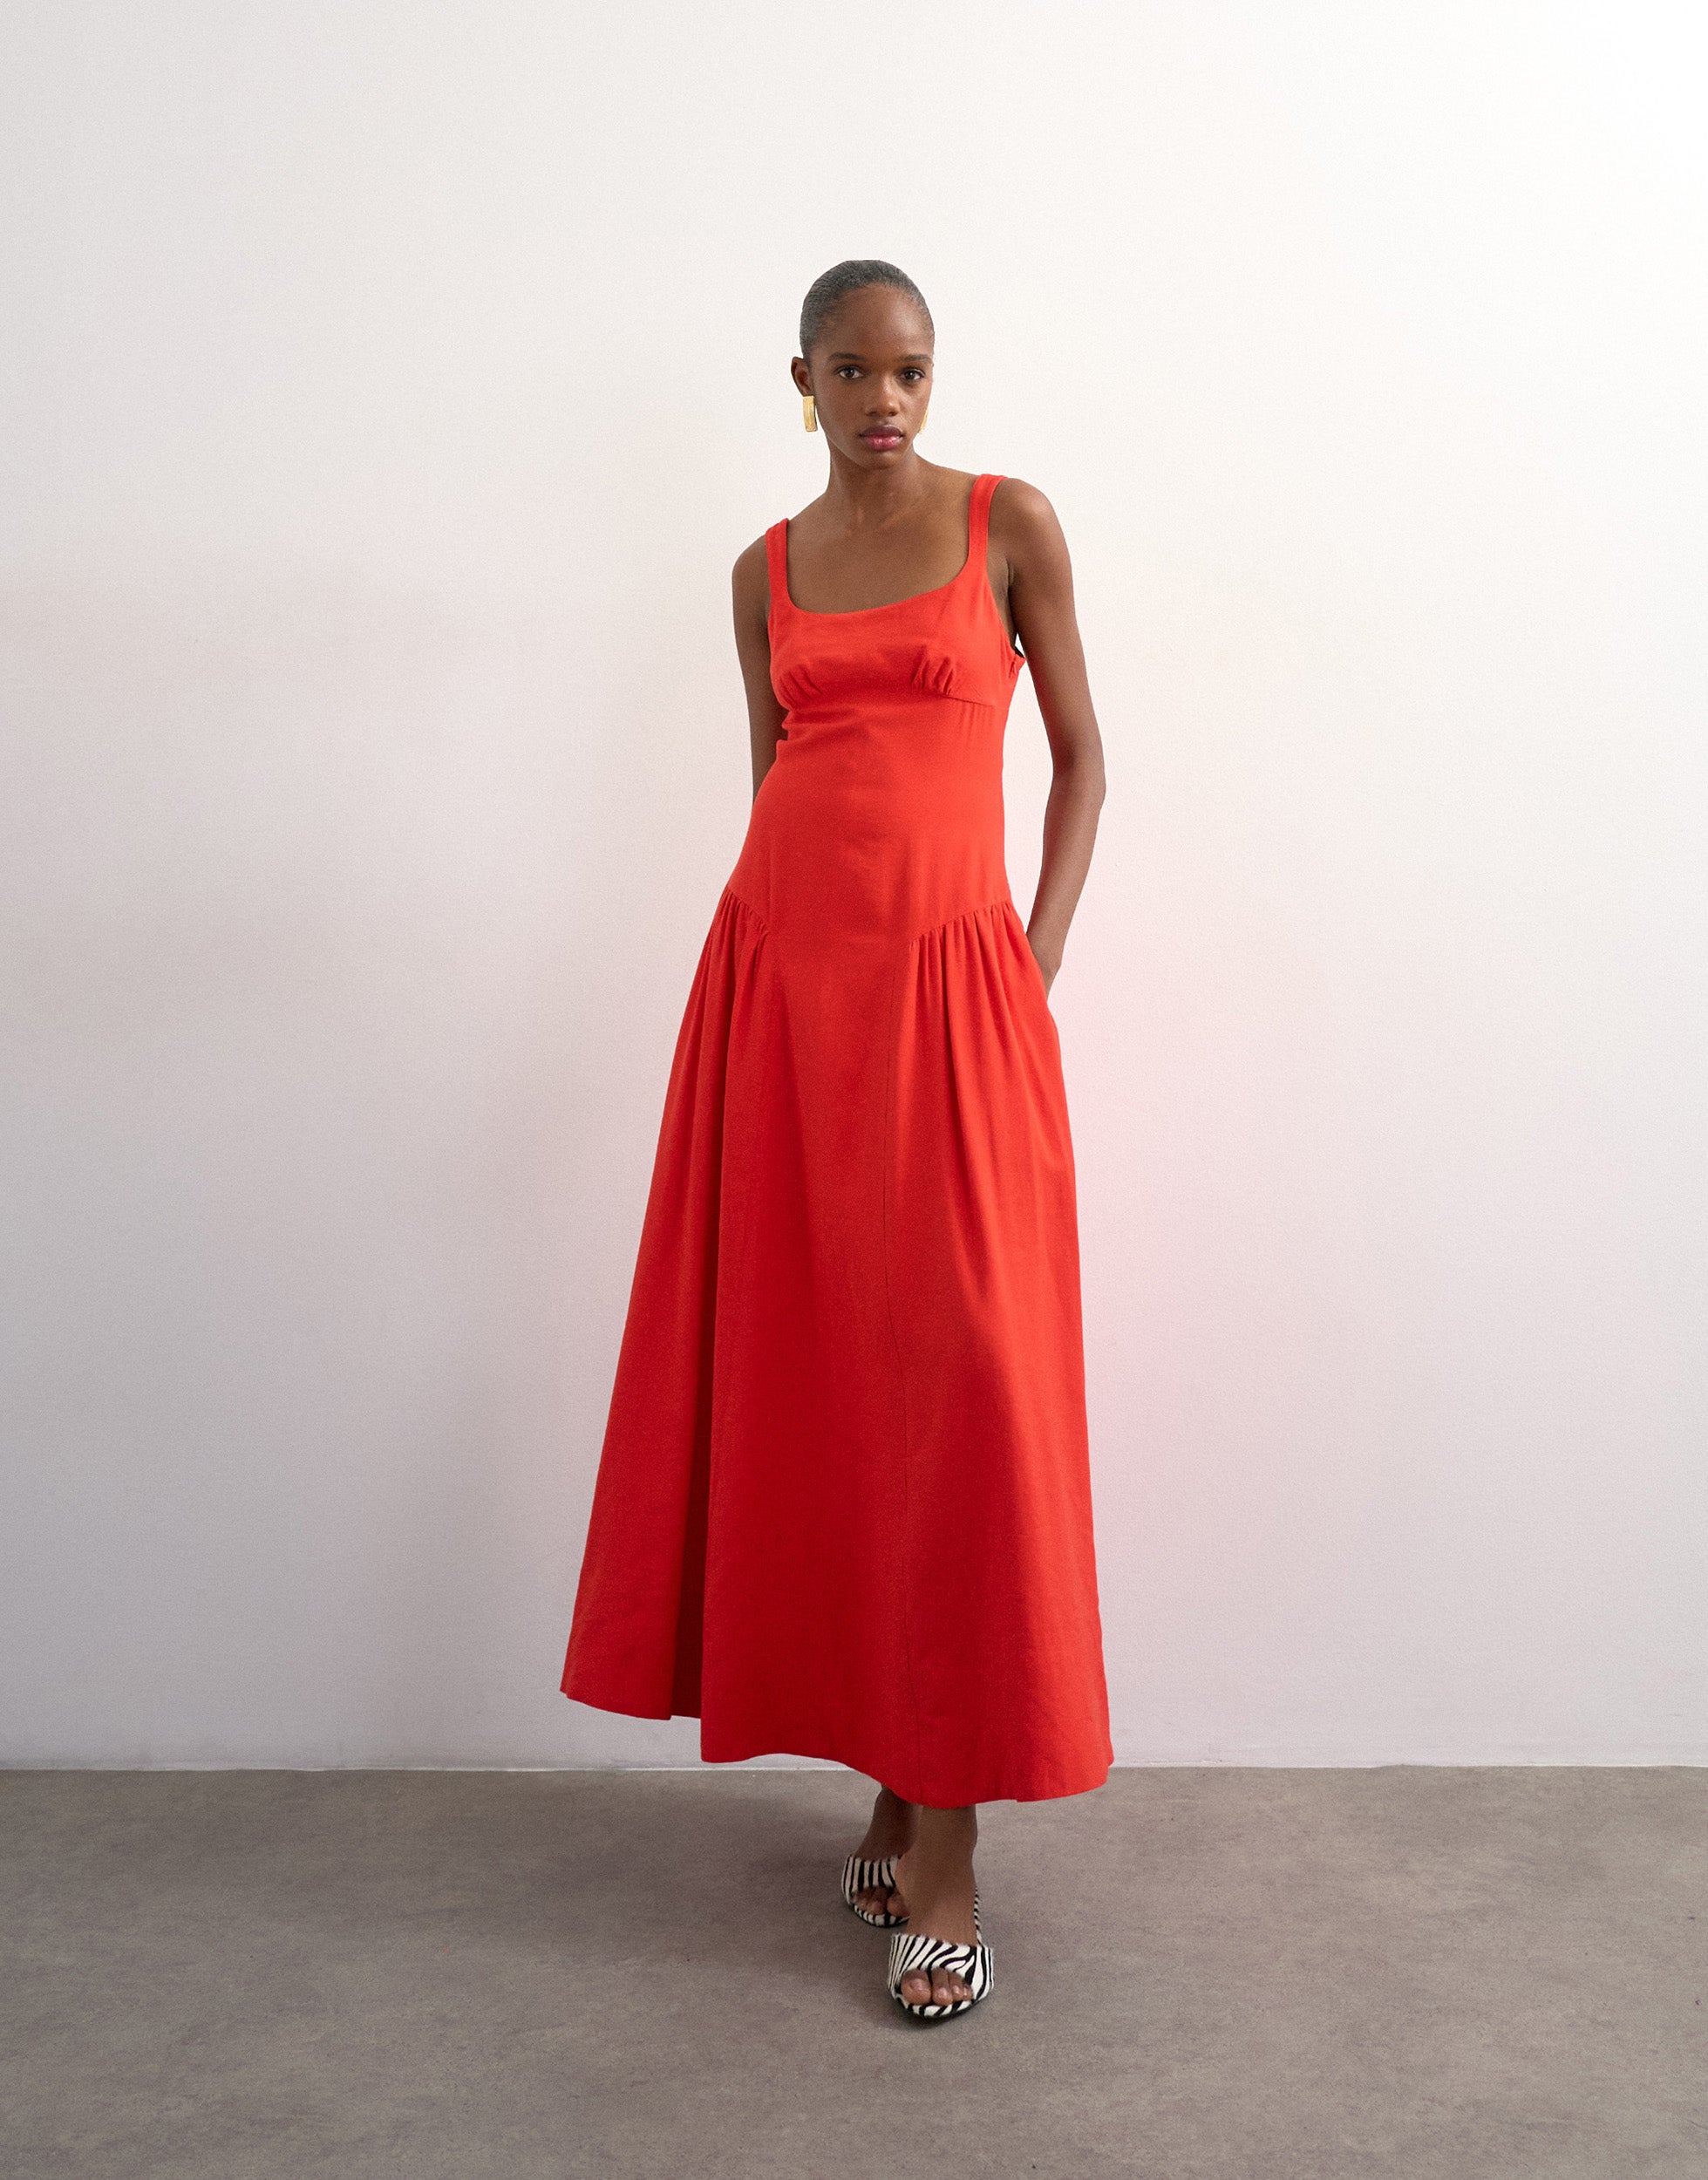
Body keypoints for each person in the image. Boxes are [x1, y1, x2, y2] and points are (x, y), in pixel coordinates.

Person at [562, 258, 1113, 2021]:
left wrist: (1024, 967)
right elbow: (776, 782)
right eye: (855, 371)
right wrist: (785, 983)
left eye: (912, 370)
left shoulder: (1007, 523)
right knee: (833, 1392)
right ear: (799, 379)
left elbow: (1082, 763)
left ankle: (946, 1838)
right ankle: (894, 1782)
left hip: (955, 1006)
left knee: (963, 1383)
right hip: (786, 997)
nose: (887, 399)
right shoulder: (762, 572)